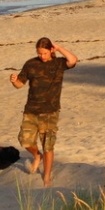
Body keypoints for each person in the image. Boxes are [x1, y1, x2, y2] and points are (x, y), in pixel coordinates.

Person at [10, 37, 78, 187]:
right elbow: (20, 84)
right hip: (31, 110)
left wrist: (59, 48)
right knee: (25, 140)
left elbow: (73, 60)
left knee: (48, 145)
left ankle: (46, 177)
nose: (42, 56)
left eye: (44, 53)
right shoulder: (31, 64)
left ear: (51, 51)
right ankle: (36, 156)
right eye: (39, 53)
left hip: (50, 112)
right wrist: (14, 80)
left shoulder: (59, 64)